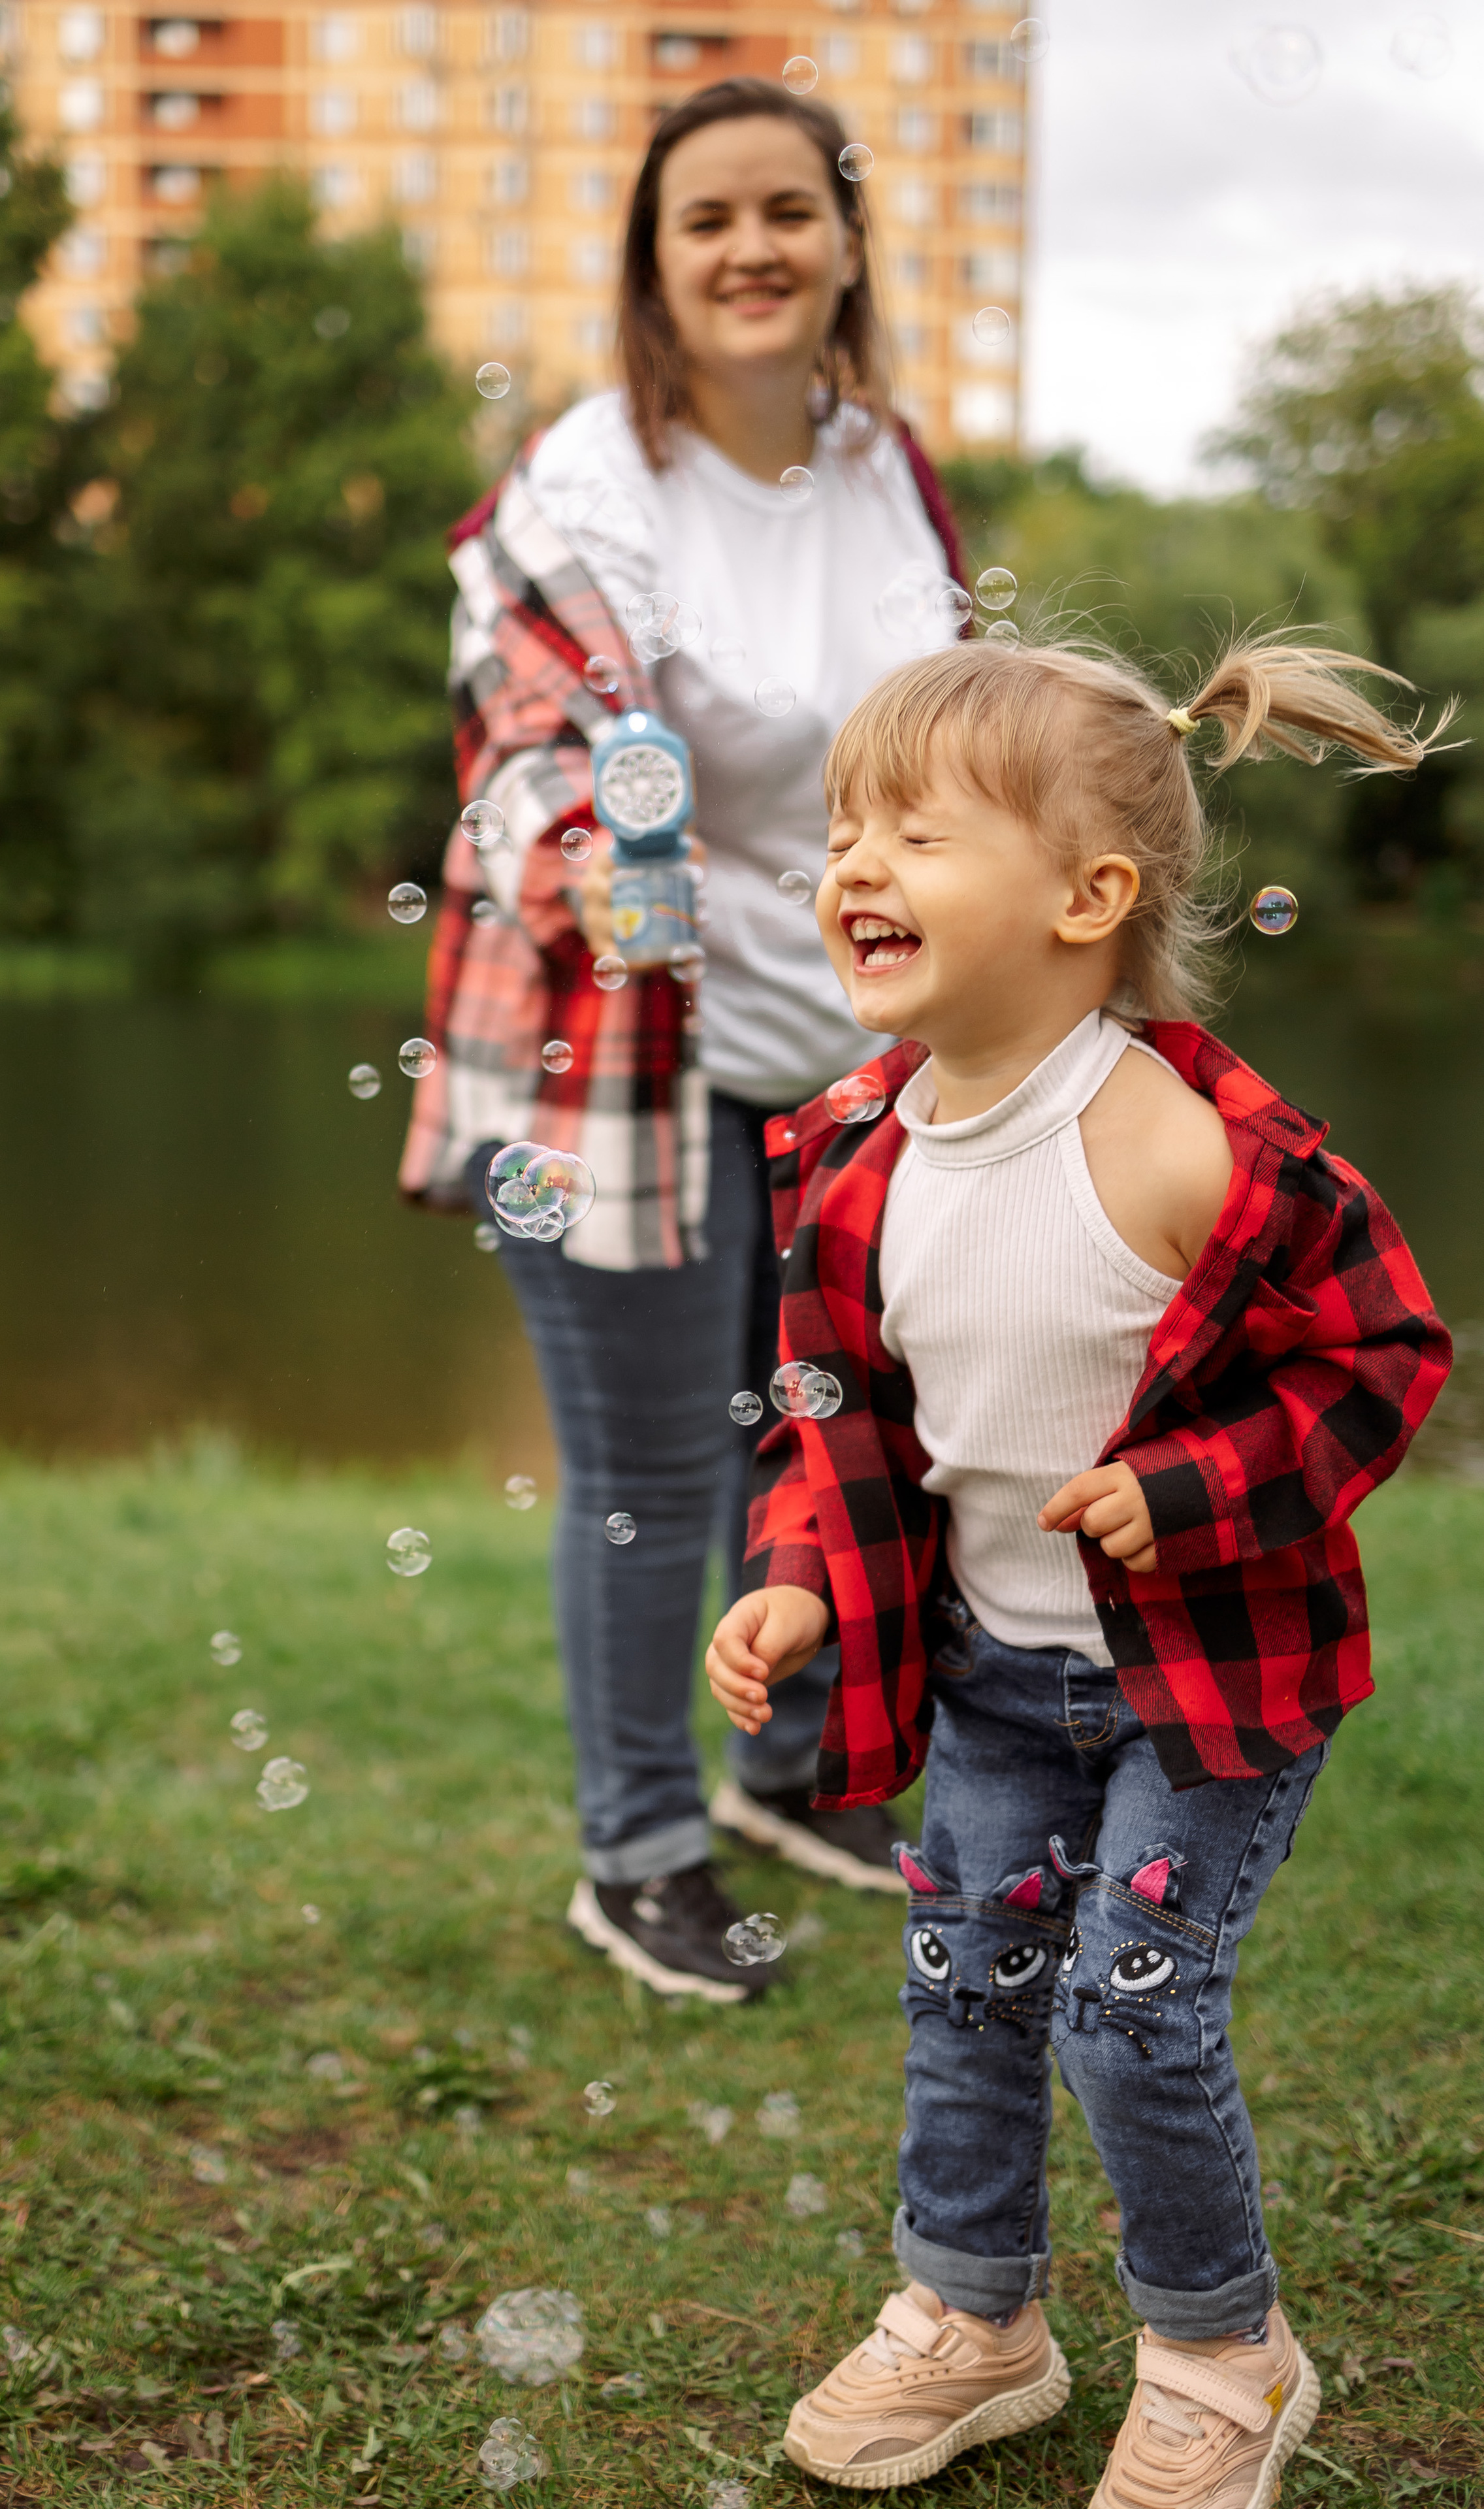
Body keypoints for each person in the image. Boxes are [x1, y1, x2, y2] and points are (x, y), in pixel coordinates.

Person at [705, 631, 1452, 2497]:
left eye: (915, 833)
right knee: (966, 1988)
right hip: (991, 1679)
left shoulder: (1189, 1149)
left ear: (1087, 898)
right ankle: (977, 2320)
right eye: (841, 831)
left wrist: (1190, 1487)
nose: (854, 866)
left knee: (1129, 2004)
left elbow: (1385, 1357)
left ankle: (1223, 2357)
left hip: (1203, 1691)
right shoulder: (853, 1162)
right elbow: (838, 1422)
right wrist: (797, 1572)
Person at [401, 77, 969, 2003]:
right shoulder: (587, 487)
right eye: (705, 218)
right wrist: (593, 850)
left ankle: (794, 1772)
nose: (750, 249)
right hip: (605, 1067)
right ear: (654, 262)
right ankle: (637, 1851)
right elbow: (542, 768)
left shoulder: (884, 461)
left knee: (818, 1439)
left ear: (846, 243)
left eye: (786, 212)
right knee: (653, 1469)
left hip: (837, 1064)